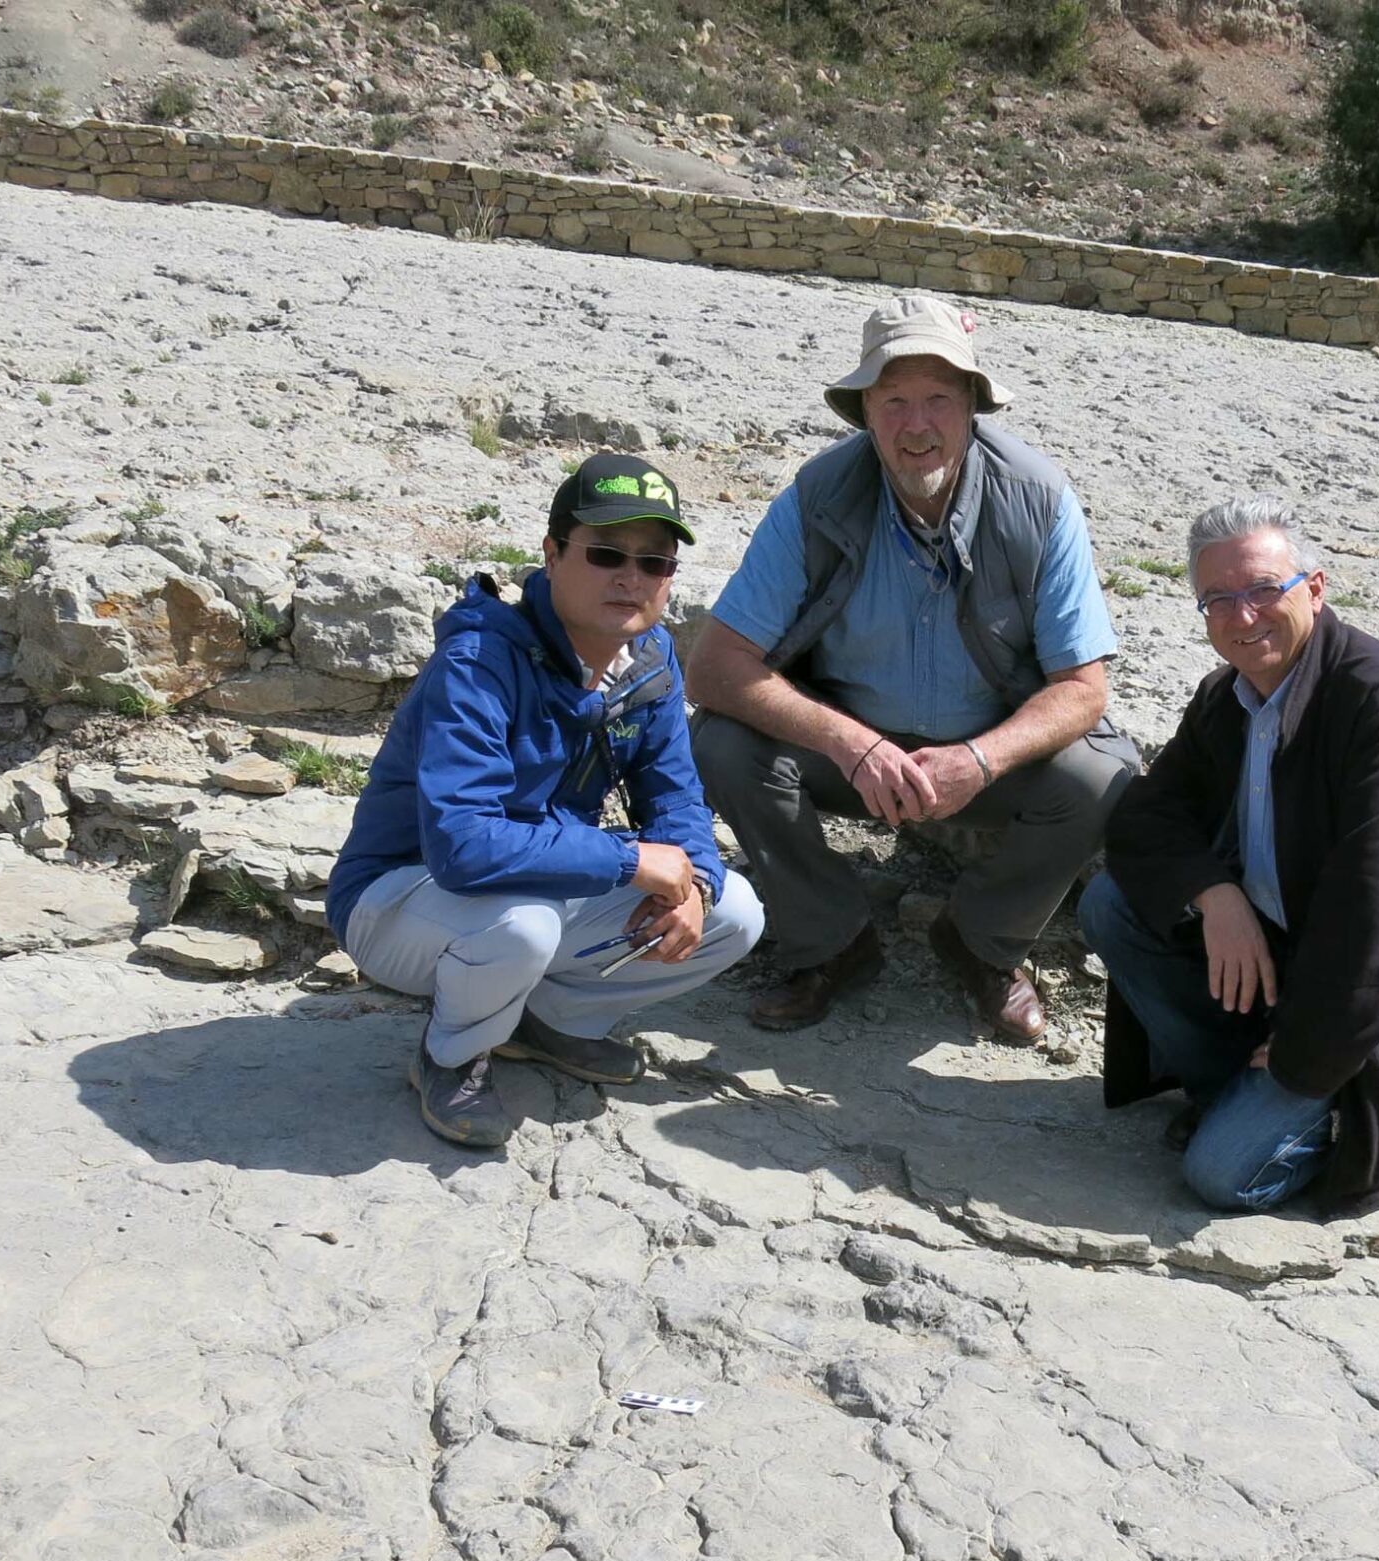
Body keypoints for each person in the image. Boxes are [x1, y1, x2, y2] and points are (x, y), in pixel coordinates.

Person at [687, 293, 1138, 1045]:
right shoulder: (815, 497)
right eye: (895, 401)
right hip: (850, 757)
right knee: (721, 743)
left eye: (937, 399)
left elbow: (1084, 690)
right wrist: (849, 743)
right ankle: (831, 941)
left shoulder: (1041, 500)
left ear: (971, 406)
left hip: (986, 760)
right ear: (865, 411)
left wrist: (979, 759)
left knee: (1103, 777)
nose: (917, 426)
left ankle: (980, 943)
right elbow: (712, 668)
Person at [327, 453, 764, 1148]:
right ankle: (451, 1056)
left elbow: (676, 798)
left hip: (537, 884)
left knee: (734, 914)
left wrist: (697, 884)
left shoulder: (646, 661)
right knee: (520, 926)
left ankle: (542, 1024)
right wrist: (629, 861)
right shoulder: (478, 666)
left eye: (655, 562)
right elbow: (464, 848)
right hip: (403, 897)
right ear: (553, 554)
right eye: (606, 553)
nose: (631, 576)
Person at [1079, 495, 1379, 1214]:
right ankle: (1234, 1090)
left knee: (1219, 1177)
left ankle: (1318, 1115)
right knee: (1112, 905)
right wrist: (1216, 895)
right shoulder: (1228, 699)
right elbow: (1147, 817)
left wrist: (1306, 1053)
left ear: (1316, 589)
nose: (1244, 617)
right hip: (1285, 974)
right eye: (1219, 600)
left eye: (1265, 590)